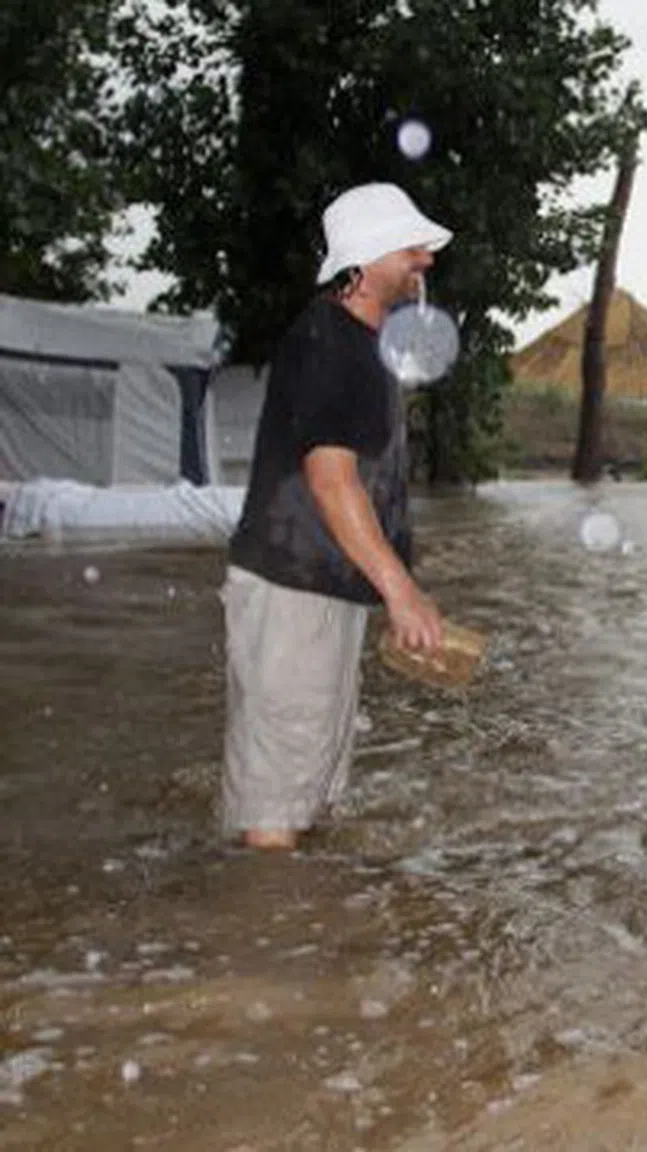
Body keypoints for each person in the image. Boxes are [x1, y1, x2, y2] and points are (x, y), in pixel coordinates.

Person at [222, 182, 451, 850]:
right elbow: (331, 481)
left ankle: (306, 932)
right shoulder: (328, 338)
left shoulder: (365, 343)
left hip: (326, 587)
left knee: (310, 782)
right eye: (413, 246)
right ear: (370, 253)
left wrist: (386, 587)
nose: (425, 260)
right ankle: (261, 933)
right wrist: (401, 592)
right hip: (293, 587)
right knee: (276, 799)